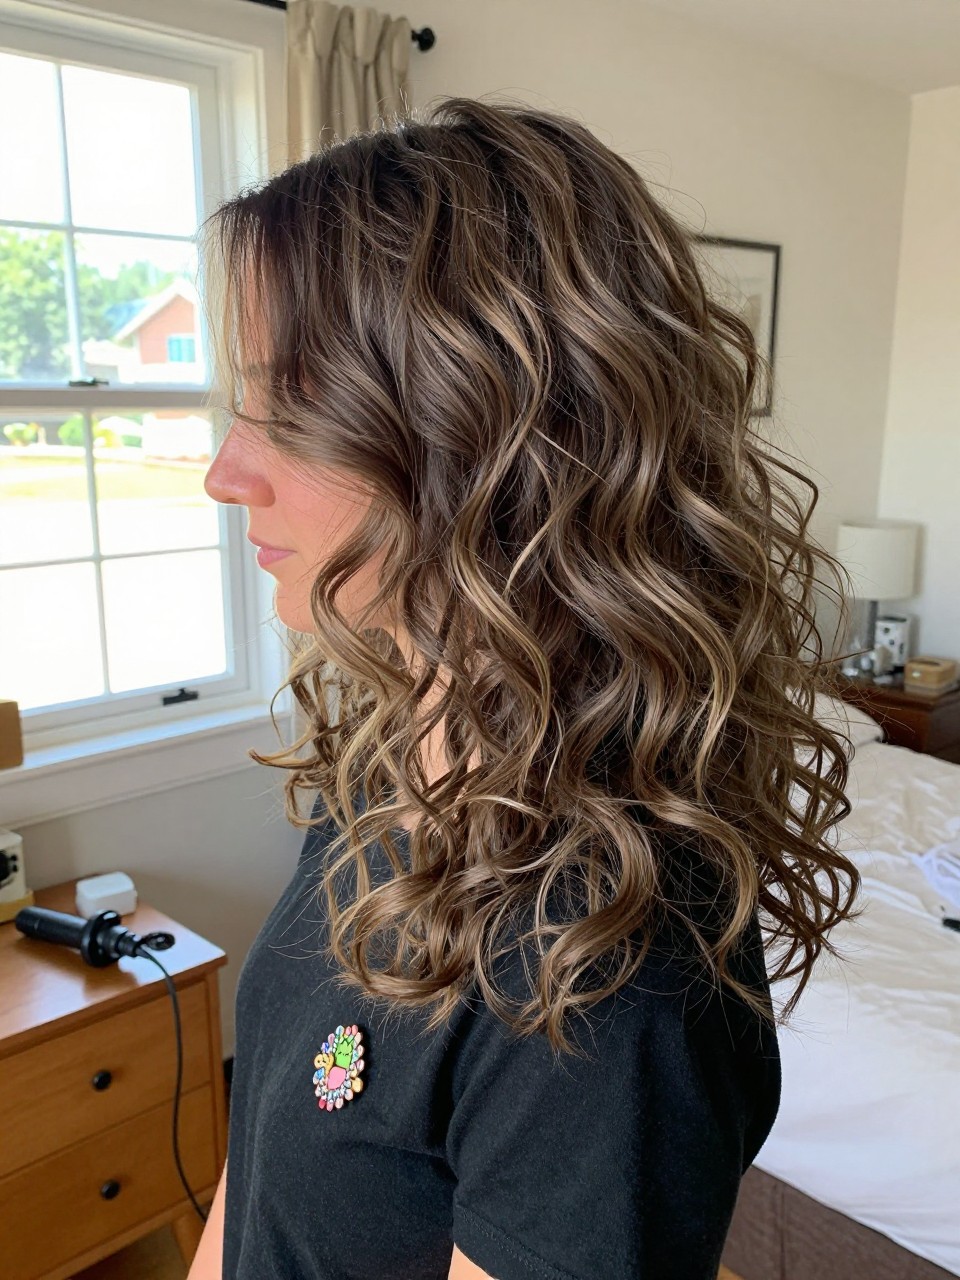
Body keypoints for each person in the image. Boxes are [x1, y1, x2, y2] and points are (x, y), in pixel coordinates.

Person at [192, 95, 861, 1280]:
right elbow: (258, 1168)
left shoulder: (603, 963)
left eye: (288, 405)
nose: (224, 472)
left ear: (491, 437)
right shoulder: (382, 763)